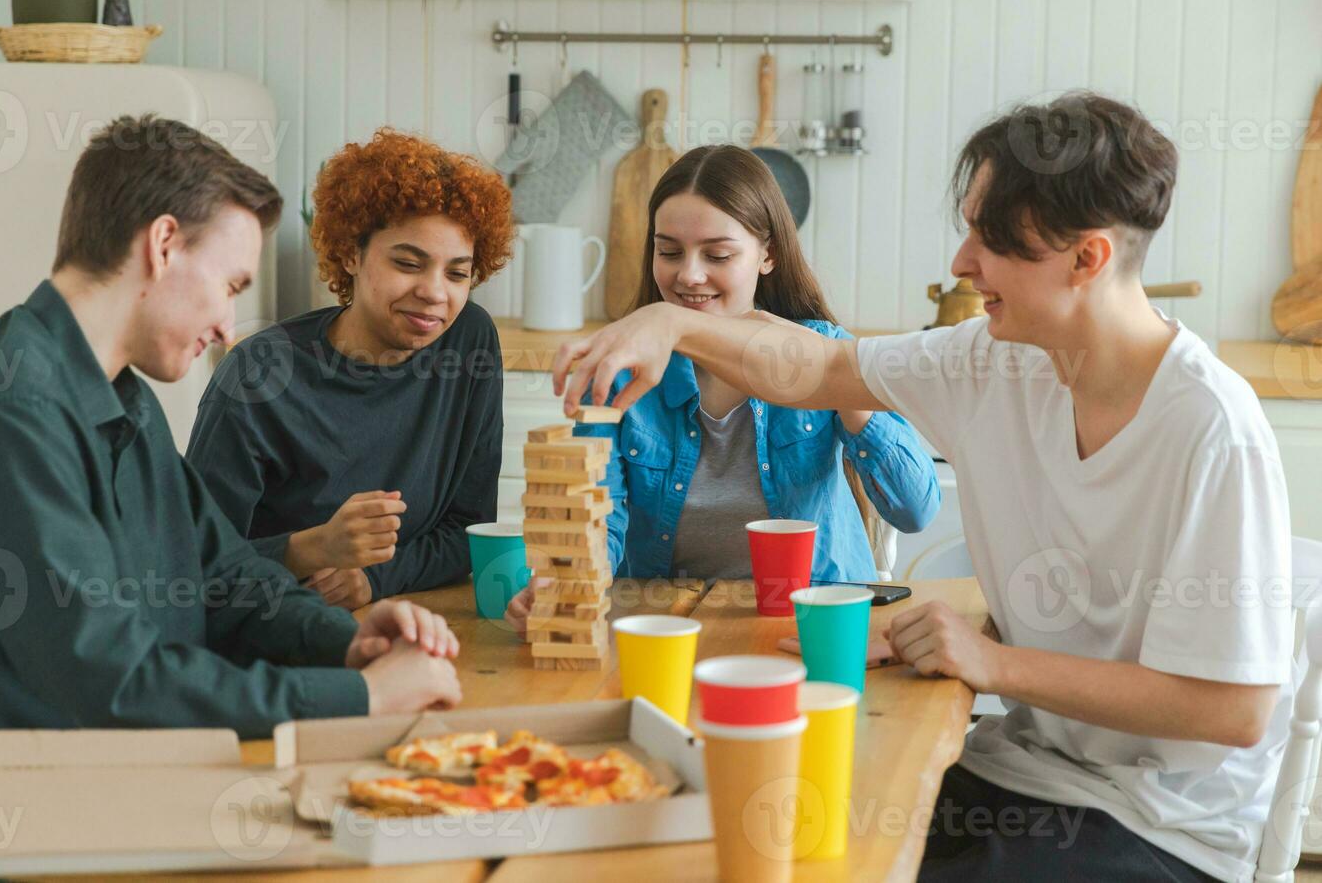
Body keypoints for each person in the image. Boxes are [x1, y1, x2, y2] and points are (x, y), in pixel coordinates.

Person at [551, 93, 1290, 882]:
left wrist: (989, 662)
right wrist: (672, 324)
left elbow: (1232, 711)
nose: (963, 262)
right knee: (758, 833)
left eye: (993, 239)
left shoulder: (1211, 427)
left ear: (1088, 258)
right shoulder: (990, 360)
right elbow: (825, 368)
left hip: (1159, 825)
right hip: (1022, 773)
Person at [0, 115, 463, 746]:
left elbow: (222, 577)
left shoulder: (118, 395)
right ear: (163, 244)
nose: (229, 327)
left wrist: (348, 642)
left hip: (96, 764)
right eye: (229, 286)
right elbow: (108, 681)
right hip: (6, 794)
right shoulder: (6, 412)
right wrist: (362, 697)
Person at [505, 145, 938, 633]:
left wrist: (838, 380)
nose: (688, 275)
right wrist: (565, 584)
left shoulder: (824, 349)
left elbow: (915, 508)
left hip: (814, 626)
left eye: (718, 254)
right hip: (666, 629)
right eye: (668, 251)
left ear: (767, 254)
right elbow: (600, 521)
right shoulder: (621, 370)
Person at [187, 130, 513, 611]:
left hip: (409, 621)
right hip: (270, 637)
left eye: (457, 273)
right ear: (350, 255)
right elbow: (189, 567)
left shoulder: (468, 341)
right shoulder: (258, 376)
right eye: (408, 263)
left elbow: (469, 530)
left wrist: (373, 579)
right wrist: (308, 551)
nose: (434, 292)